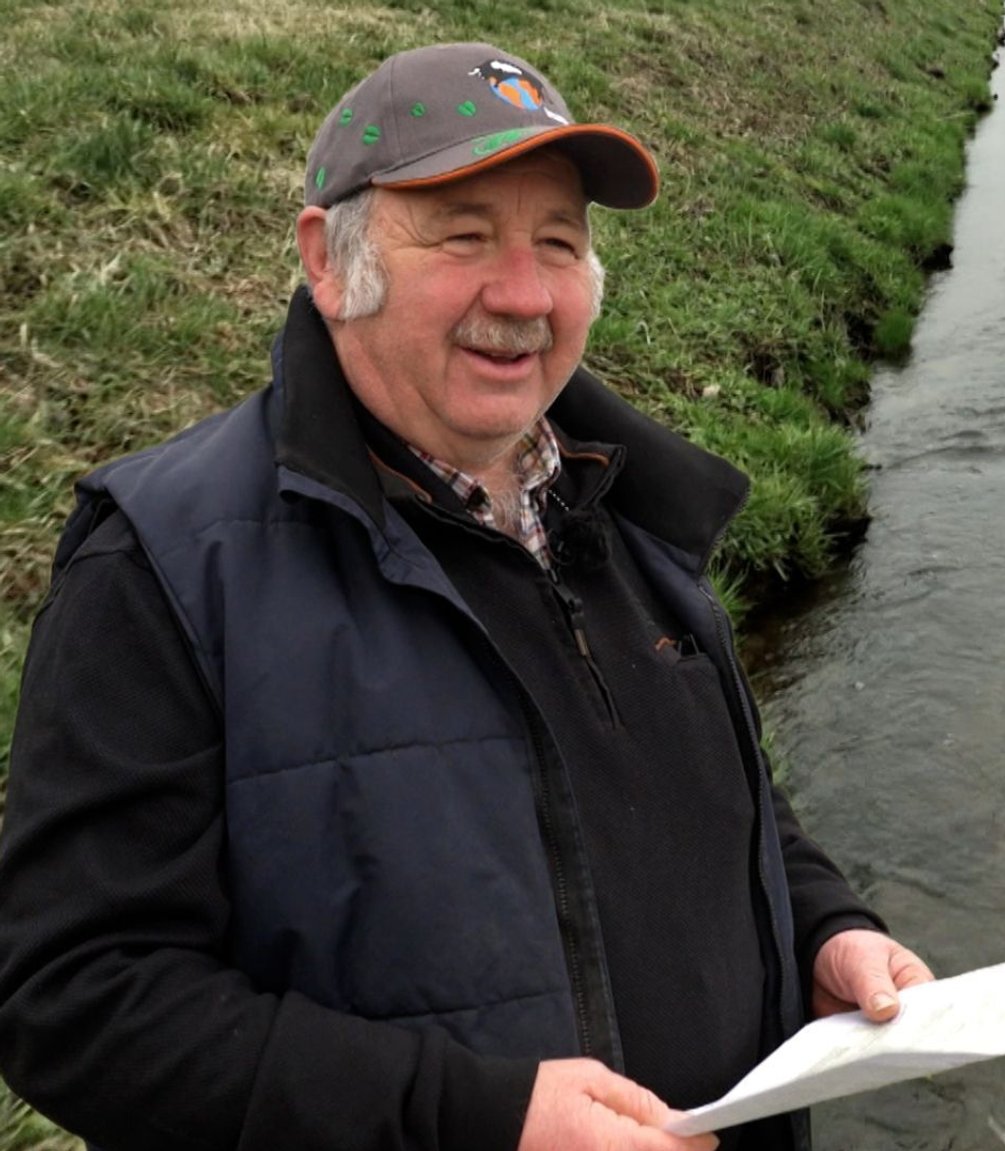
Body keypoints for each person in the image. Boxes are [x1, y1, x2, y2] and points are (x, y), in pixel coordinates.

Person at [0, 42, 931, 1151]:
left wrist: (823, 923)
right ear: (331, 261)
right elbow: (76, 999)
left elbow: (722, 803)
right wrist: (474, 1117)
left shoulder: (622, 511)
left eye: (557, 242)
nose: (523, 294)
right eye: (463, 235)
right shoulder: (161, 566)